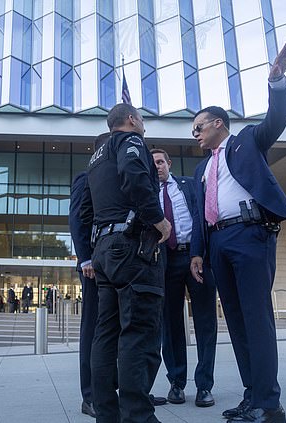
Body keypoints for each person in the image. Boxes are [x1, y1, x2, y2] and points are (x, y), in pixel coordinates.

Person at [189, 42, 286, 423]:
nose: (196, 135)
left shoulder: (248, 141)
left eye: (199, 127)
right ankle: (251, 395)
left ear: (218, 123)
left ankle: (270, 406)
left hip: (250, 235)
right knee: (235, 322)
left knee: (256, 317)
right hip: (218, 242)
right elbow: (202, 215)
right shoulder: (201, 171)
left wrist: (277, 80)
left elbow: (278, 117)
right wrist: (198, 253)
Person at [80, 103, 171, 423]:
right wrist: (158, 219)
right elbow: (135, 177)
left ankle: (107, 414)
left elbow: (88, 208)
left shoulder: (96, 157)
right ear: (131, 120)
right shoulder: (129, 142)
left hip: (105, 248)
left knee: (106, 334)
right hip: (132, 248)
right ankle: (138, 417)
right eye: (142, 119)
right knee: (139, 333)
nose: (144, 125)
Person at [151, 148, 218, 408]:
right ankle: (176, 383)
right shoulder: (146, 194)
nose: (156, 166)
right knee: (171, 325)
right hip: (166, 264)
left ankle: (204, 386)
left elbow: (204, 217)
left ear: (169, 163)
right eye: (152, 162)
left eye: (160, 161)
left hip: (195, 257)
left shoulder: (189, 186)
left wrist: (200, 253)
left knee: (205, 323)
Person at [68, 133, 105, 418]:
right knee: (92, 328)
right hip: (93, 266)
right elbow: (77, 219)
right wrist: (85, 259)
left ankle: (117, 389)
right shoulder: (86, 177)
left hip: (119, 262)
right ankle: (90, 395)